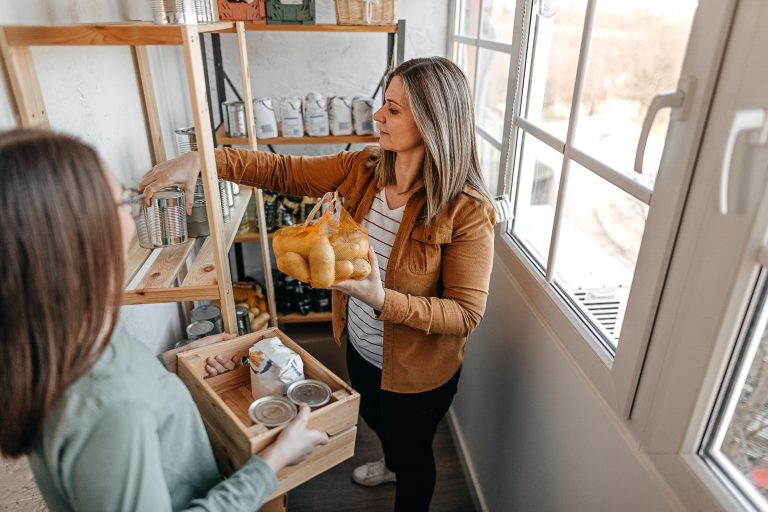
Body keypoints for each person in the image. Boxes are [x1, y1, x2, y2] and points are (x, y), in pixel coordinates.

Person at [142, 56, 496, 512]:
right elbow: (282, 171)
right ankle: (389, 461)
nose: (378, 116)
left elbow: (465, 314)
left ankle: (401, 472)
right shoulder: (364, 168)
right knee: (373, 417)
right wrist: (202, 159)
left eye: (393, 109)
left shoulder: (467, 211)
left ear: (432, 122)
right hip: (359, 345)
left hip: (418, 373)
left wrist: (379, 297)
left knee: (414, 457)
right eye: (382, 104)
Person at [0, 129, 329, 511]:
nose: (136, 209)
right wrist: (271, 463)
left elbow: (115, 392)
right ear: (79, 236)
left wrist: (169, 367)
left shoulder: (66, 331)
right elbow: (111, 406)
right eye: (123, 200)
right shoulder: (110, 409)